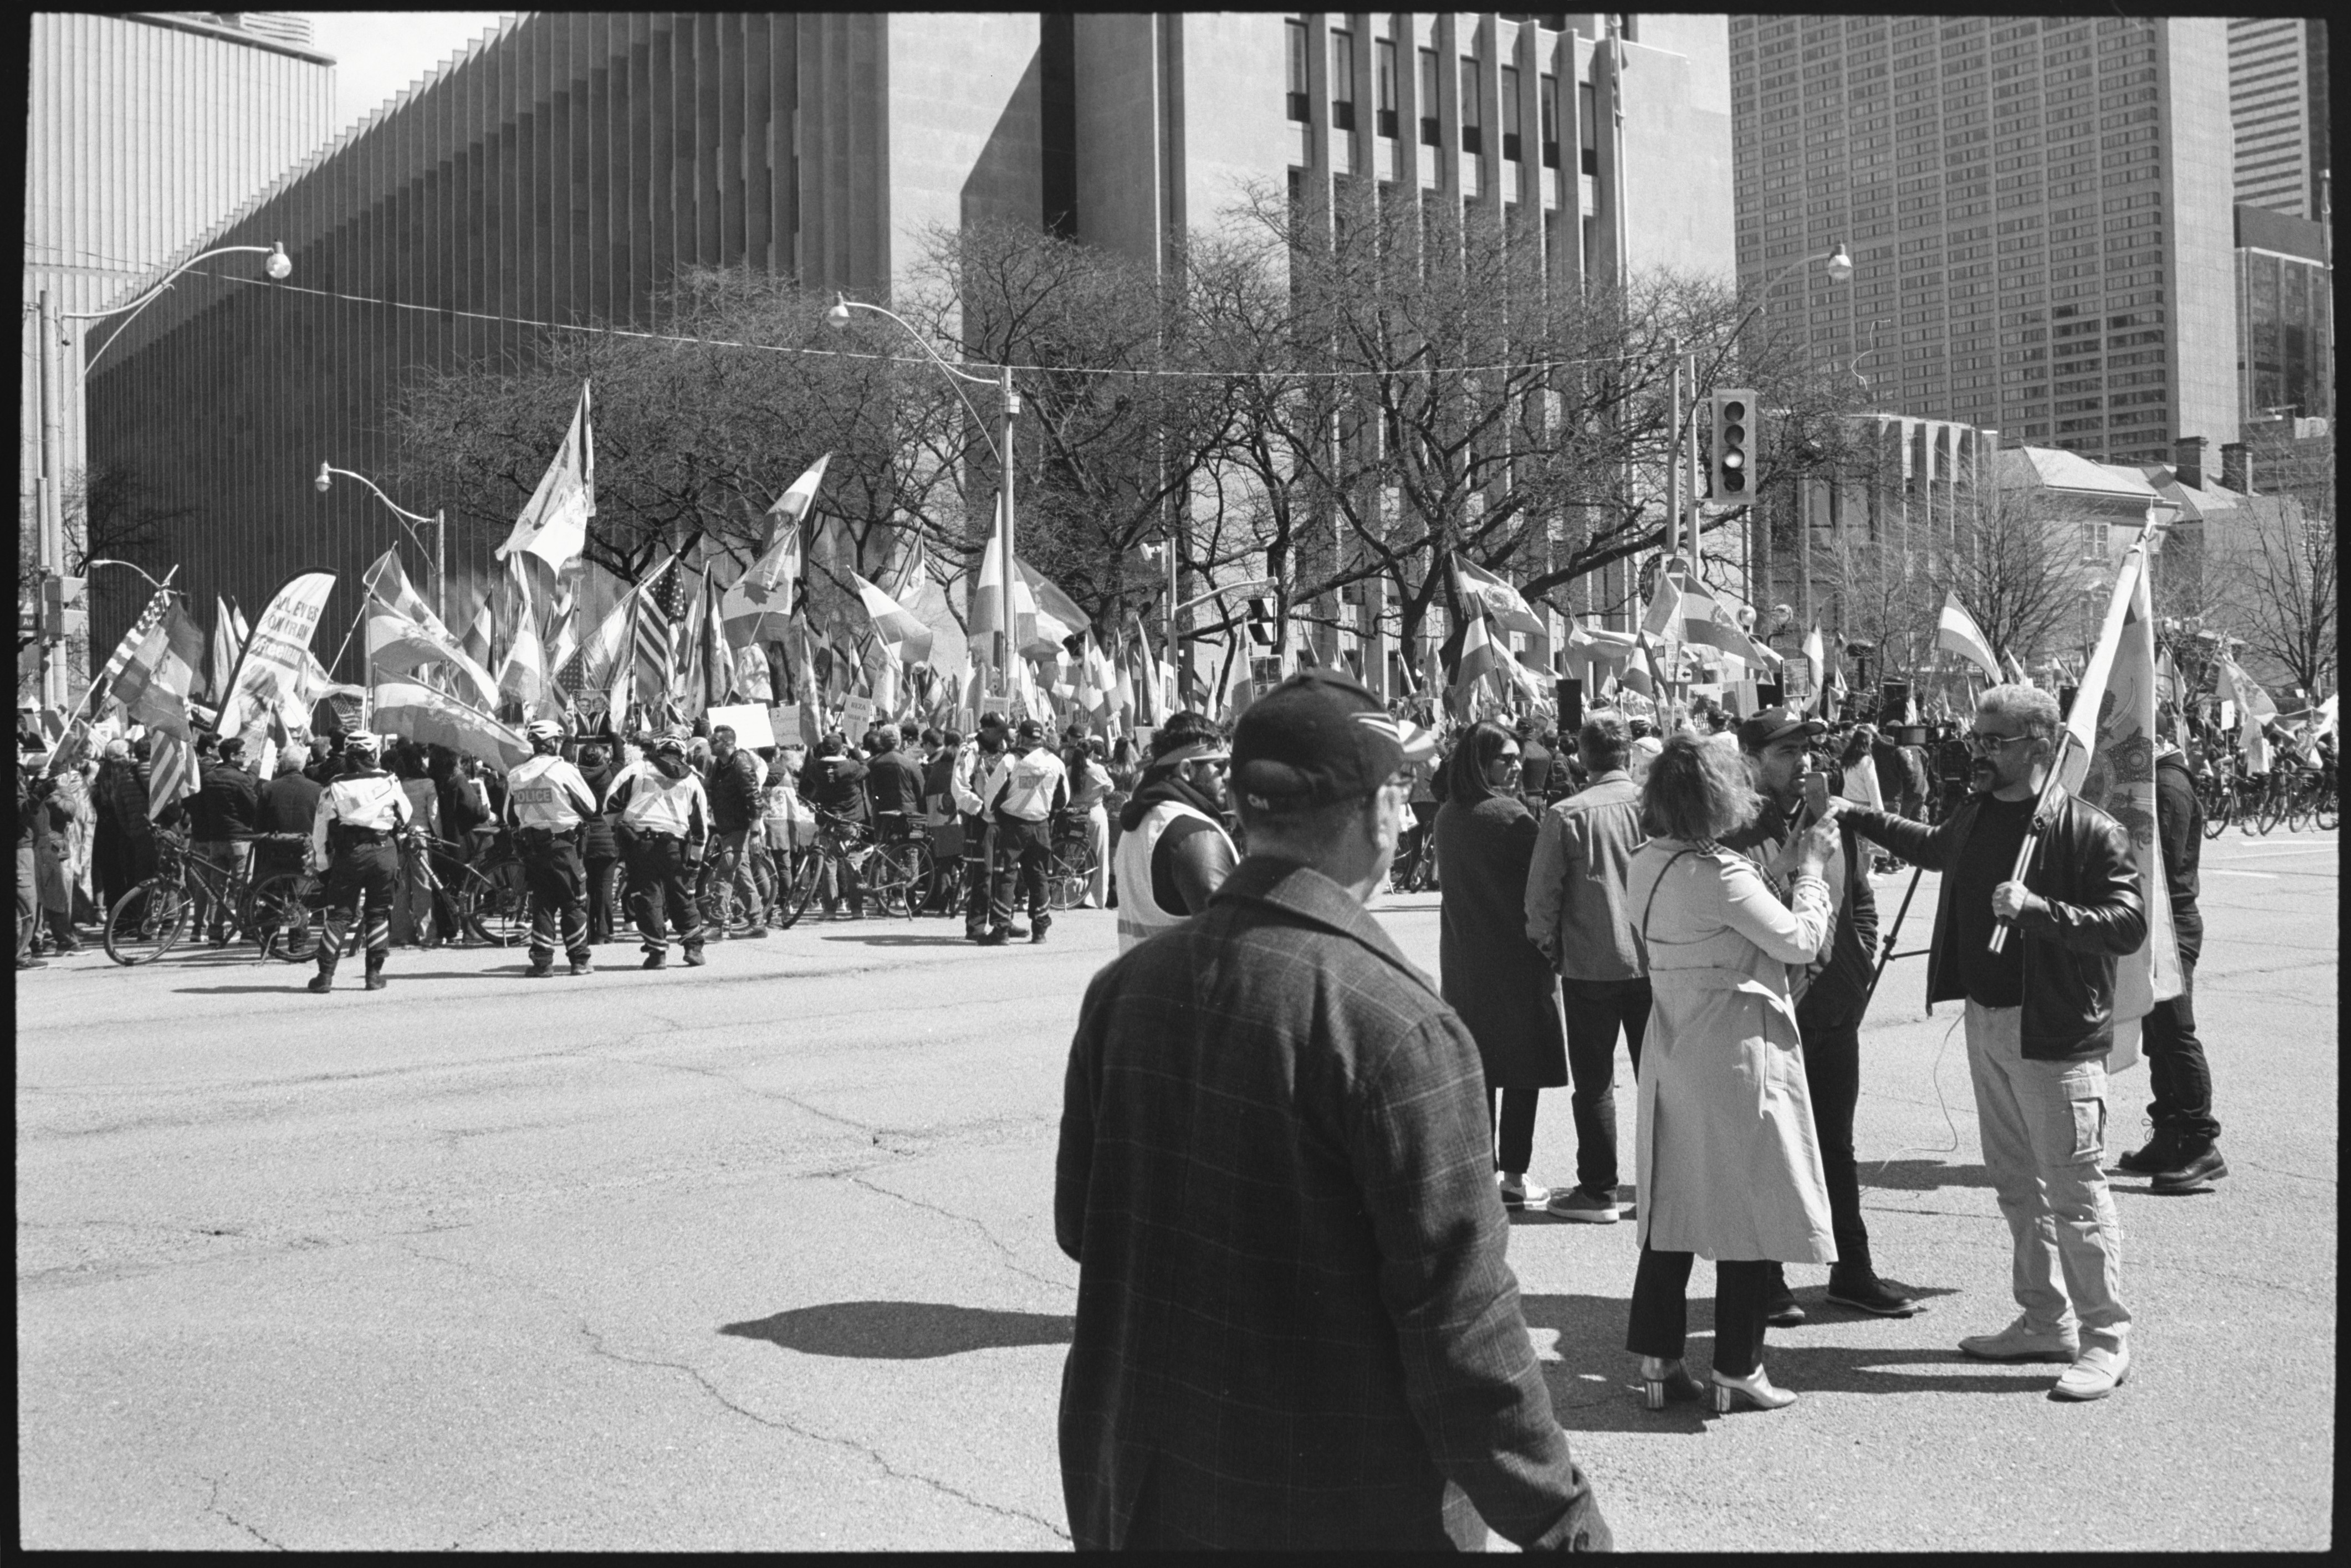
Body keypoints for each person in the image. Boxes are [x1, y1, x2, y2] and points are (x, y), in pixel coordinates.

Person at [1055, 668, 1612, 1551]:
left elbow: (1082, 1226)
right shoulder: (1397, 1025)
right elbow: (1464, 1331)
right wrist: (1563, 1523)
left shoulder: (1123, 991)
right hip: (1334, 1504)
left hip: (1139, 1487)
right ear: (1381, 810)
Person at [1836, 683, 2143, 1400]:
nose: (1976, 750)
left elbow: (2127, 923)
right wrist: (1854, 813)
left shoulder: (2086, 829)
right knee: (2015, 1185)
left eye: (1993, 740)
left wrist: (2039, 910)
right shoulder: (1976, 811)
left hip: (2054, 1033)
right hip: (1987, 1018)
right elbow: (1932, 847)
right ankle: (2044, 1319)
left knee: (2074, 1193)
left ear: (2041, 744)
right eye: (1976, 737)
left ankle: (2105, 1338)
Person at [1622, 732, 1841, 1415]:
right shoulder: (1721, 873)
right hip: (1734, 1046)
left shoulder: (1645, 862)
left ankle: (1658, 1358)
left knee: (1671, 1202)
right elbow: (1801, 941)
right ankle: (1738, 1365)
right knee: (1748, 1203)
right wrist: (1812, 872)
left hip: (1674, 1040)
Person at [1720, 707, 1918, 1320]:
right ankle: (1767, 1278)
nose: (1803, 761)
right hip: (1769, 1017)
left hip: (1833, 1011)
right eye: (1786, 752)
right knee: (1768, 1148)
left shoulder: (1832, 821)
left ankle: (1851, 1269)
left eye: (1807, 749)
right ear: (1751, 760)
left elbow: (1860, 900)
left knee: (1836, 1146)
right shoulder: (1730, 830)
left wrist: (1857, 971)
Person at [1438, 720, 1570, 1210]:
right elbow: (1549, 877)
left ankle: (1482, 1172)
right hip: (1516, 959)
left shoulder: (1448, 815)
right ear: (1480, 763)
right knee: (1521, 1069)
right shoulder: (1508, 815)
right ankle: (1513, 1175)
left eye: (1518, 759)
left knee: (1480, 1069)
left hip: (1465, 960)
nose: (1517, 767)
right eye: (1506, 760)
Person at [1524, 711, 1650, 1223]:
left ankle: (1598, 1190)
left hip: (1590, 963)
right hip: (1654, 960)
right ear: (1627, 754)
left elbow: (1541, 899)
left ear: (1582, 757)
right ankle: (1668, 1185)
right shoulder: (1653, 806)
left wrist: (1548, 944)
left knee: (1596, 1083)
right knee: (1660, 1080)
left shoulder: (1567, 814)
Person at [2115, 733, 2224, 1192]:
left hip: (2171, 923)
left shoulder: (2168, 785)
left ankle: (2200, 1143)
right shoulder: (2156, 779)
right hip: (2154, 920)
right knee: (2158, 1033)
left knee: (2176, 1032)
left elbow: (2159, 860)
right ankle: (2168, 1134)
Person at [1110, 712, 1238, 952]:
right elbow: (1230, 942)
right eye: (1219, 766)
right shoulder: (1193, 835)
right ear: (1187, 770)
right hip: (1185, 976)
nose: (1229, 774)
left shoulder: (1141, 821)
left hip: (1142, 972)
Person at [306, 732, 416, 993]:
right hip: (383, 851)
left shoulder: (334, 785)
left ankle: (325, 976)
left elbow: (320, 830)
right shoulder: (389, 781)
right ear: (374, 754)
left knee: (340, 914)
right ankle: (373, 976)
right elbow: (406, 813)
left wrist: (322, 864)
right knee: (378, 913)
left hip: (350, 854)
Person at [503, 719, 600, 977]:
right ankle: (580, 961)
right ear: (554, 743)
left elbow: (509, 817)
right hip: (563, 846)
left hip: (532, 849)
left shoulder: (516, 774)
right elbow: (590, 807)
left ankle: (543, 962)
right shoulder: (564, 770)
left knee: (542, 905)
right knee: (573, 904)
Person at [610, 735, 711, 969]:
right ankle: (694, 948)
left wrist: (620, 829)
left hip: (640, 844)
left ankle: (657, 954)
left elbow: (610, 806)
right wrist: (695, 862)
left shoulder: (636, 770)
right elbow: (700, 828)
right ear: (682, 756)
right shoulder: (692, 781)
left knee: (647, 897)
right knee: (682, 896)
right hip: (675, 846)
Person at [982, 716, 1069, 945]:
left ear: (1020, 736)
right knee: (1039, 877)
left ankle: (1001, 930)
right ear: (1041, 738)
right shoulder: (1056, 763)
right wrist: (1048, 812)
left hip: (1013, 826)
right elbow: (1064, 798)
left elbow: (992, 794)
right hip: (1040, 826)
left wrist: (993, 816)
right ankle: (1040, 931)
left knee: (1006, 876)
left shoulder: (1011, 760)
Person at [188, 733, 263, 945]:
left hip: (216, 839)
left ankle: (215, 932)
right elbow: (254, 807)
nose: (245, 756)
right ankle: (247, 930)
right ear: (232, 756)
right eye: (243, 753)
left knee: (216, 888)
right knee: (242, 885)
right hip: (239, 838)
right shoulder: (240, 778)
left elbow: (200, 807)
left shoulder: (209, 777)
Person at [702, 724, 769, 939]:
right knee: (743, 875)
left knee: (724, 874)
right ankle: (757, 922)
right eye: (711, 740)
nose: (711, 744)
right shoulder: (719, 765)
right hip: (726, 828)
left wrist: (755, 833)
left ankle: (716, 924)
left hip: (740, 828)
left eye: (715, 741)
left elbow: (755, 800)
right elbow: (713, 791)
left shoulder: (741, 764)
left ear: (728, 743)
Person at [950, 716, 1010, 941]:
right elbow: (959, 787)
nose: (1003, 736)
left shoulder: (1004, 748)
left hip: (1004, 818)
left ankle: (1002, 922)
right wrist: (980, 809)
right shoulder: (969, 750)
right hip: (980, 820)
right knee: (982, 874)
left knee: (1004, 873)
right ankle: (975, 926)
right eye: (999, 732)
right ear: (985, 730)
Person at [799, 733, 868, 920]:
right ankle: (856, 909)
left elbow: (806, 774)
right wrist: (854, 748)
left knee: (828, 863)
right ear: (842, 748)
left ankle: (829, 909)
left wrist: (812, 749)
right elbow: (865, 768)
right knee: (852, 863)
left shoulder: (816, 768)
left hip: (827, 820)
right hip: (850, 819)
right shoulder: (851, 766)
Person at [575, 741, 624, 944]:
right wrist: (614, 733)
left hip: (584, 838)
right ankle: (604, 933)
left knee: (586, 888)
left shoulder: (575, 777)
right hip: (607, 837)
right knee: (604, 887)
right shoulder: (610, 774)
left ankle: (587, 932)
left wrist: (569, 738)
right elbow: (620, 759)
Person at [1063, 732, 1113, 908]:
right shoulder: (1097, 770)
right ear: (1092, 753)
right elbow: (1110, 789)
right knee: (1099, 857)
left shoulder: (1070, 770)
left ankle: (1068, 895)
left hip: (1076, 815)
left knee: (1072, 857)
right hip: (1095, 814)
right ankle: (1095, 899)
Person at [861, 722, 926, 847]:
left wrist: (876, 804)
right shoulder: (910, 763)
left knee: (883, 850)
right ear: (899, 740)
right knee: (911, 849)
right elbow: (921, 789)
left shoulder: (872, 764)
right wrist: (921, 810)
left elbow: (870, 792)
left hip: (881, 812)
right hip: (908, 814)